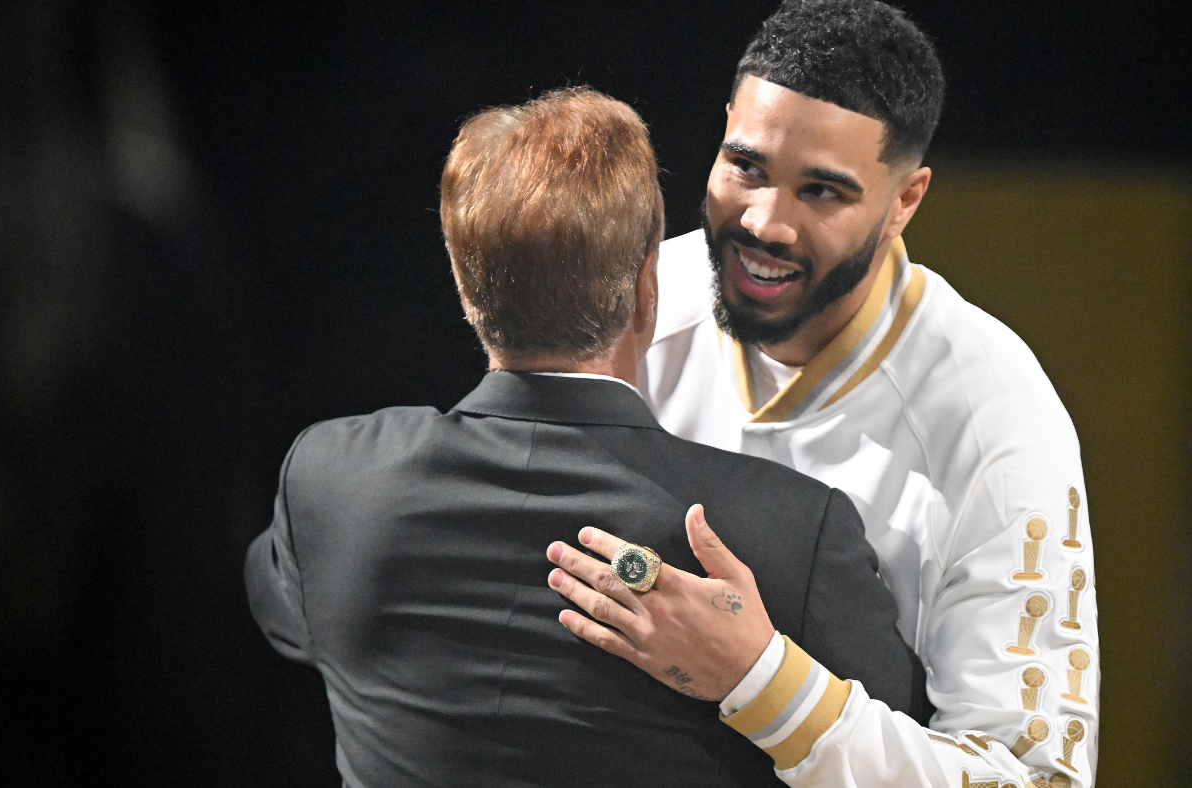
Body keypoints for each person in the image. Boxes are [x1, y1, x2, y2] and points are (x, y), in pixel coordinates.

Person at [244, 87, 929, 788]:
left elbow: (288, 619)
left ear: (463, 283)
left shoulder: (331, 482)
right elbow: (908, 754)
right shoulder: (789, 534)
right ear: (647, 290)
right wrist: (761, 677)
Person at [545, 2, 1099, 787]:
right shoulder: (631, 301)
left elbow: (1038, 779)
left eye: (823, 193)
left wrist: (762, 684)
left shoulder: (997, 417)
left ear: (905, 201)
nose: (767, 222)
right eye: (747, 167)